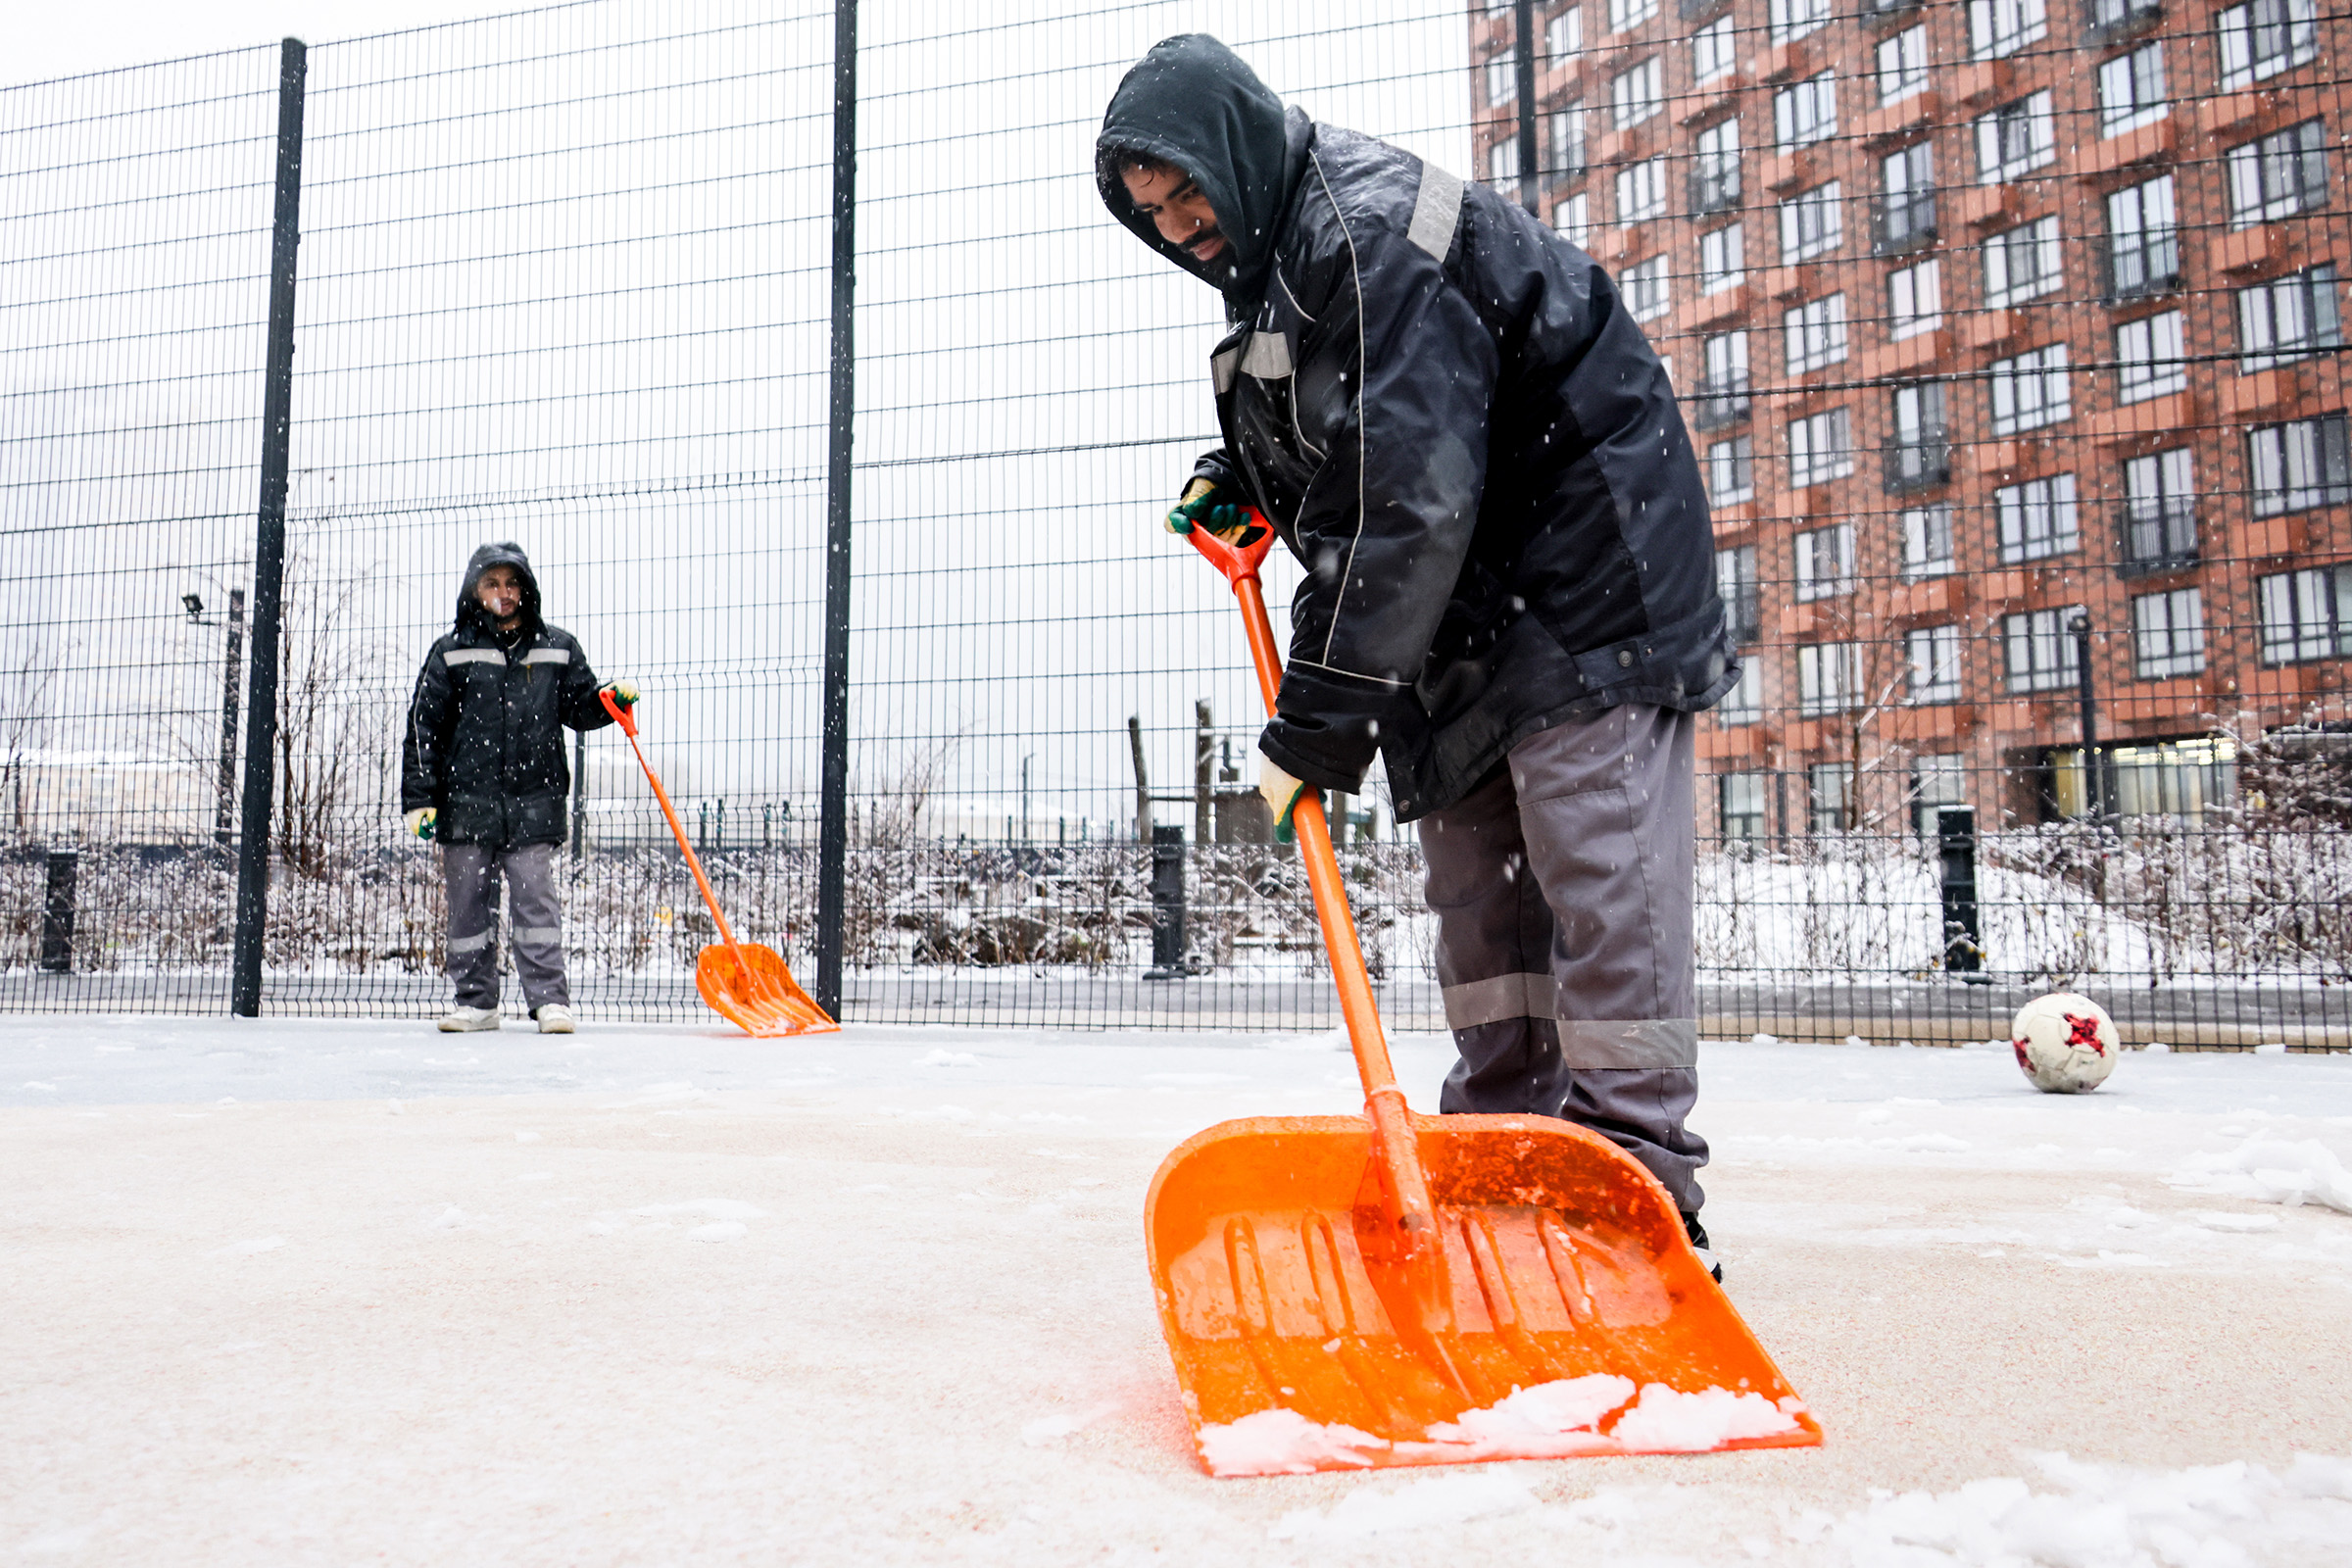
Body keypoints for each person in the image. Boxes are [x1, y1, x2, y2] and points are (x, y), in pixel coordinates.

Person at [1096, 36, 1738, 1273]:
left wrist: (1313, 724)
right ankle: (1504, 1160)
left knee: (1596, 875)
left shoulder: (1371, 238)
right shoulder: (1282, 278)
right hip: (1456, 619)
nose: (1182, 229)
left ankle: (1634, 1200)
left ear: (1238, 150)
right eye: (1155, 215)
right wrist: (1244, 475)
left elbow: (1408, 499)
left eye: (1189, 195)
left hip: (1582, 580)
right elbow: (1359, 458)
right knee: (1481, 910)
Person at [399, 542, 635, 1034]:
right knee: (468, 908)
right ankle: (476, 1003)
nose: (503, 593)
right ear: (475, 590)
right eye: (492, 584)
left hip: (534, 800)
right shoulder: (451, 652)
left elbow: (580, 707)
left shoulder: (557, 647)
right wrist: (420, 800)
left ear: (526, 590)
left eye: (512, 583)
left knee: (536, 904)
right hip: (465, 805)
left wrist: (607, 701)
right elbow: (424, 726)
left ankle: (550, 1000)